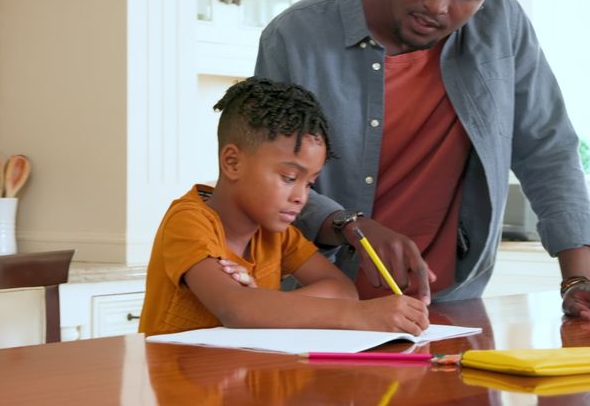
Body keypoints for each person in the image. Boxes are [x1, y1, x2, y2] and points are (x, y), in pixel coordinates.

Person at [254, 0, 590, 324]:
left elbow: (545, 144)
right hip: (320, 308)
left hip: (448, 307)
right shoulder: (295, 36)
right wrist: (351, 225)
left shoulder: (501, 21)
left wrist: (578, 279)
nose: (438, 6)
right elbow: (269, 177)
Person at [138, 77, 430, 336]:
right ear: (232, 162)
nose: (301, 197)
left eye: (310, 183)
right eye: (290, 178)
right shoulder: (189, 221)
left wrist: (262, 304)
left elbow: (343, 290)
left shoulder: (277, 234)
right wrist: (362, 316)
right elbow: (235, 308)